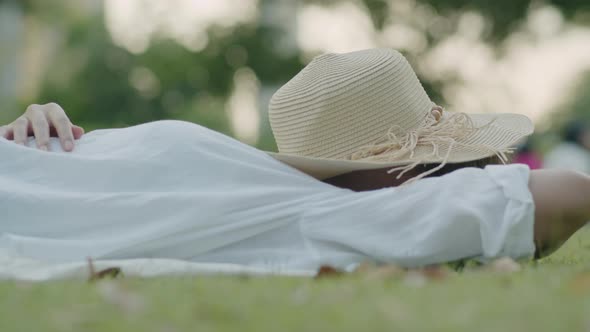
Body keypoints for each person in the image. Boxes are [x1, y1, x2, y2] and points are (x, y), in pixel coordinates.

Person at [0, 49, 588, 273]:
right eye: (440, 164)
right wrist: (35, 128)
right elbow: (568, 193)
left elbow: (560, 196)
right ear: (404, 173)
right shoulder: (317, 211)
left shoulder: (314, 214)